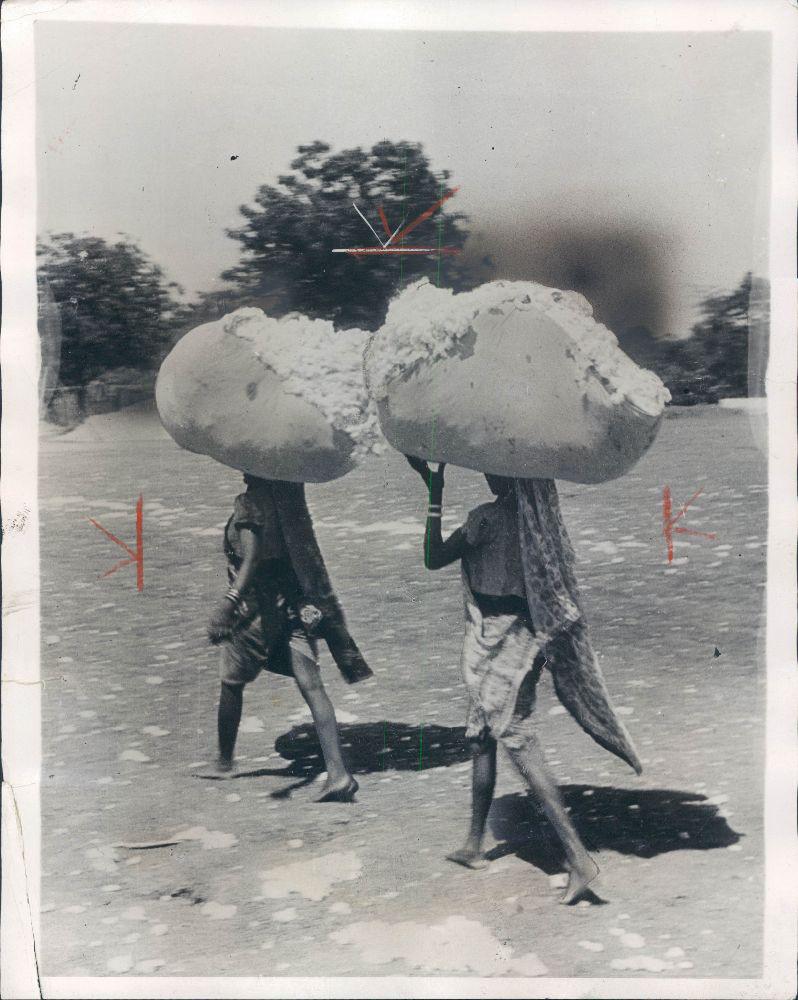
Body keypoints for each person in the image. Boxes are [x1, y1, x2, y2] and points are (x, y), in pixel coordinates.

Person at [406, 457, 642, 905]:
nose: (488, 471)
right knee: (480, 736)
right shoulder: (541, 525)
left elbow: (433, 558)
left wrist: (434, 494)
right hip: (526, 633)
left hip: (501, 636)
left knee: (517, 738)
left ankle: (578, 858)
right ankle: (475, 844)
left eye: (494, 465)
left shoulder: (487, 519)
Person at [195, 474, 359, 802]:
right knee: (313, 687)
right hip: (295, 605)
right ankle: (338, 772)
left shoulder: (251, 503)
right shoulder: (289, 502)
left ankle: (224, 762)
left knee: (231, 682)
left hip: (258, 613)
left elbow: (252, 559)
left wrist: (228, 603)